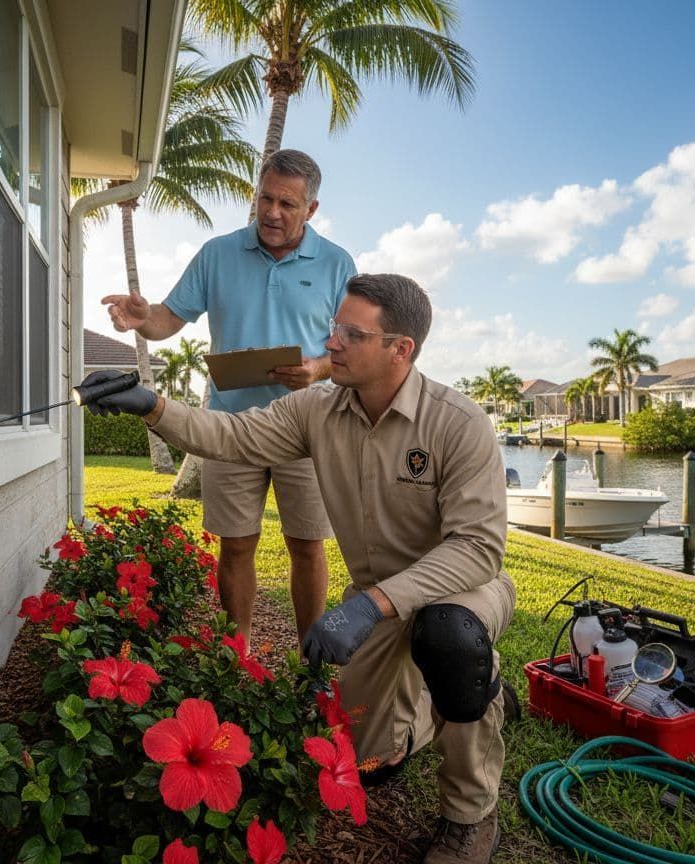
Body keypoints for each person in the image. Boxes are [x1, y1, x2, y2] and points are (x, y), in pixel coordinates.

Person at [82, 274, 516, 864]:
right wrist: (152, 406)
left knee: (449, 637)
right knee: (369, 765)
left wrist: (368, 606)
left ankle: (471, 815)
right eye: (334, 327)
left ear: (401, 349)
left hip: (462, 590)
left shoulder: (457, 423)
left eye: (351, 333)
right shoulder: (319, 407)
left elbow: (477, 550)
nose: (331, 342)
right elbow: (233, 435)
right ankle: (463, 701)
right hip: (379, 602)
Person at [102, 149, 356, 644]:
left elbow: (351, 346)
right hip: (229, 427)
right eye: (265, 198)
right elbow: (168, 319)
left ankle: (311, 660)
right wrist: (141, 317)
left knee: (307, 545)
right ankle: (232, 656)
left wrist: (319, 369)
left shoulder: (337, 263)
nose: (272, 212)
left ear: (312, 210)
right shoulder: (217, 253)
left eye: (287, 203)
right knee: (236, 546)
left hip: (307, 427)